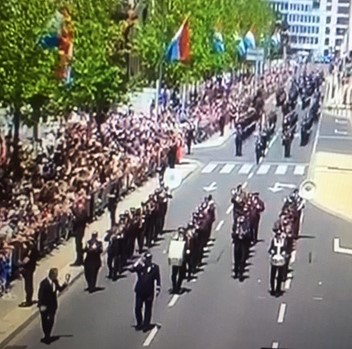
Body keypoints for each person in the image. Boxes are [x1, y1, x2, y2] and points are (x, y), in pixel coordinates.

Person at [38, 268, 70, 344]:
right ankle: (46, 334)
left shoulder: (55, 282)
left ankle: (48, 335)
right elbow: (40, 294)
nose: (56, 277)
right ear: (51, 275)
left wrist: (65, 283)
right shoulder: (44, 283)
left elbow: (59, 289)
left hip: (52, 305)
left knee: (51, 320)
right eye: (55, 275)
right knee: (44, 320)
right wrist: (40, 305)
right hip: (45, 305)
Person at [130, 252, 161, 332]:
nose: (148, 260)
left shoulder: (155, 267)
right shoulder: (140, 267)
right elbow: (132, 269)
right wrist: (137, 262)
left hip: (149, 291)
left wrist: (158, 288)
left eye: (149, 258)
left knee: (148, 309)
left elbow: (158, 279)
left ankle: (146, 324)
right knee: (137, 308)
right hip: (140, 291)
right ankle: (139, 322)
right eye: (146, 259)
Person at [18, 239, 39, 307]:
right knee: (29, 283)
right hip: (31, 267)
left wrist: (20, 263)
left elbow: (27, 259)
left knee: (28, 284)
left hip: (28, 268)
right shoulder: (33, 247)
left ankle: (28, 300)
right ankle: (29, 299)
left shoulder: (31, 248)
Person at [268, 230, 287, 297]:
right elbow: (270, 249)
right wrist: (272, 251)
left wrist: (284, 253)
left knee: (279, 276)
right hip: (274, 260)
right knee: (272, 275)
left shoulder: (283, 241)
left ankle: (278, 289)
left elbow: (285, 249)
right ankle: (272, 289)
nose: (278, 236)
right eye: (277, 235)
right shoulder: (274, 241)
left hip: (281, 260)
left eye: (279, 235)